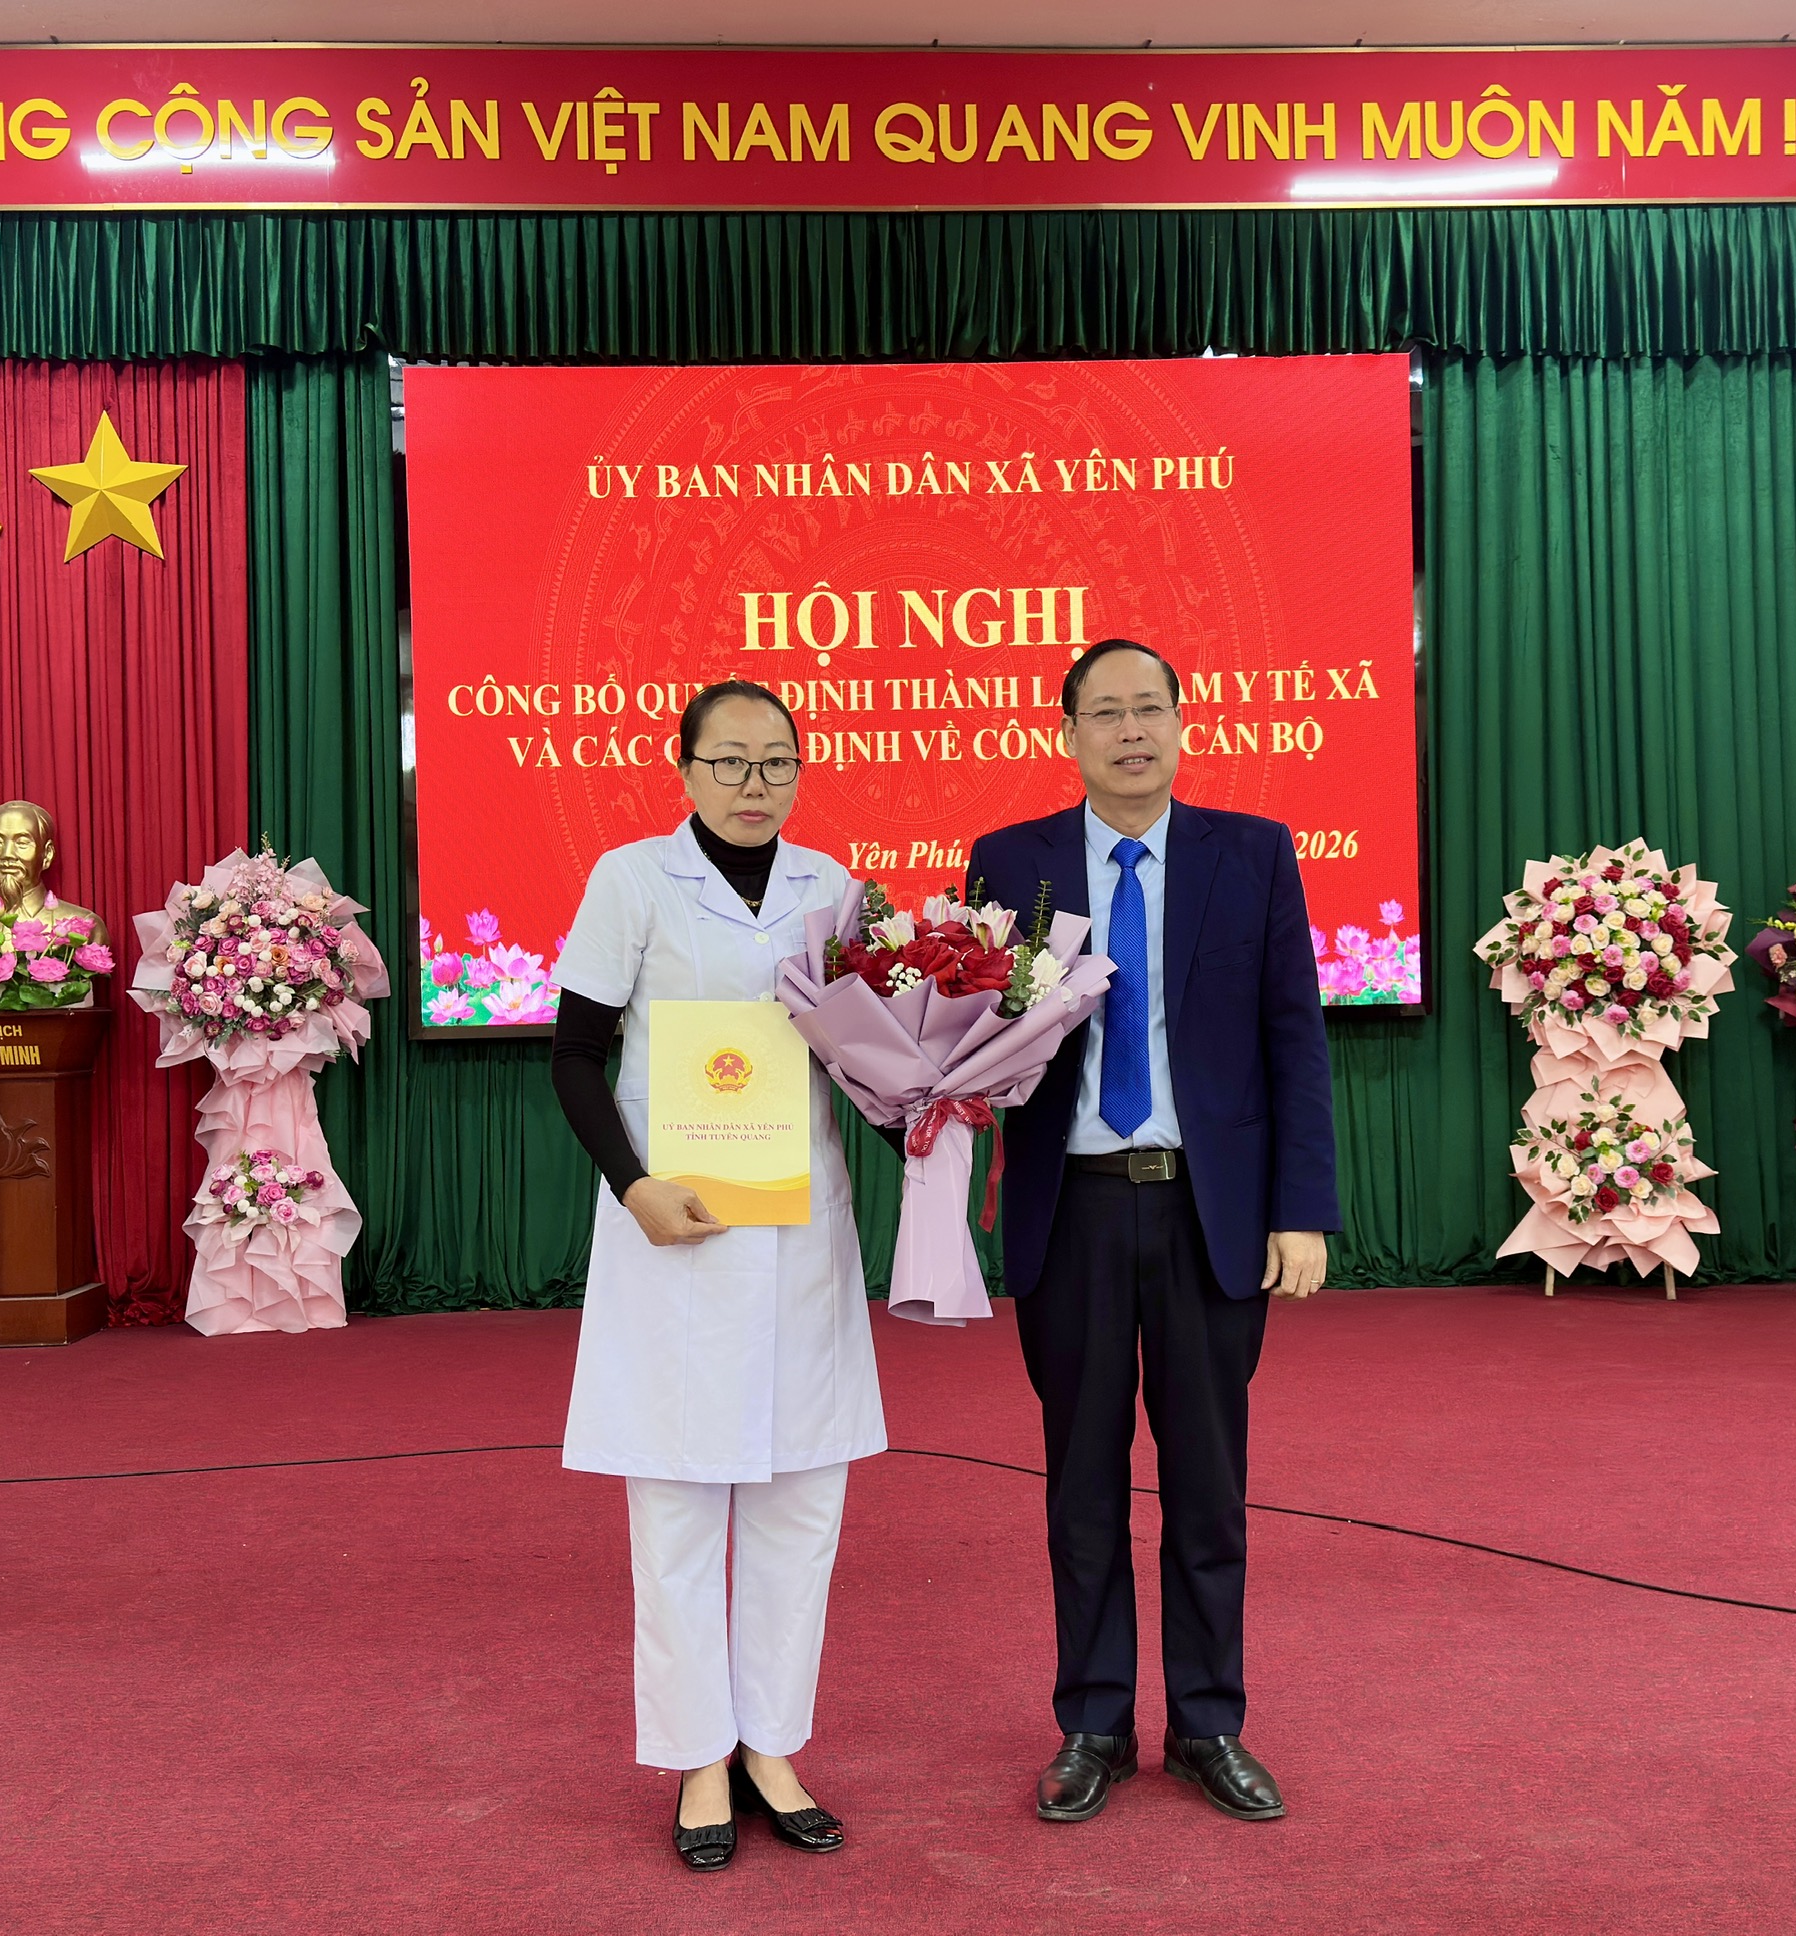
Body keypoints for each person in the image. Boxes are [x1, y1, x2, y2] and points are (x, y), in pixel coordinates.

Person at [963, 638, 1339, 1826]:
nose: (1131, 731)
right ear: (1066, 733)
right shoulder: (1009, 861)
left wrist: (1300, 1208)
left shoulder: (1254, 852)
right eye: (1105, 713)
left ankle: (1207, 1722)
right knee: (1080, 1484)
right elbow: (974, 1033)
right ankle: (1093, 1722)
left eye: (1149, 709)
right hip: (1069, 1206)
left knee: (1207, 1485)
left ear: (1183, 723)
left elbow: (1294, 1037)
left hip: (1205, 1210)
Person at [549, 679, 886, 1873]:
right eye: (731, 761)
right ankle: (699, 1755)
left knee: (801, 1503)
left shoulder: (834, 888)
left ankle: (772, 1747)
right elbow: (576, 1054)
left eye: (776, 761)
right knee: (679, 1506)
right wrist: (632, 1183)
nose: (755, 783)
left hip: (798, 1230)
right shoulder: (630, 879)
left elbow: (864, 1052)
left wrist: (933, 1092)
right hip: (676, 1231)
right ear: (684, 767)